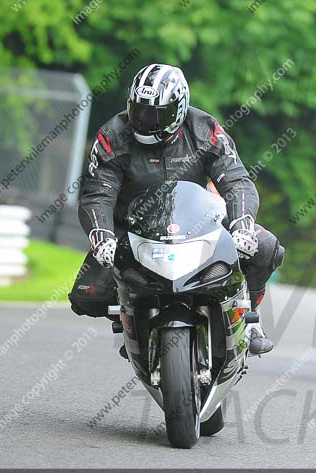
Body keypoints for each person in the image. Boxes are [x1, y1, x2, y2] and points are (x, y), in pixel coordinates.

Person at [68, 63, 283, 355]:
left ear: (179, 109)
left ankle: (249, 318)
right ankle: (133, 320)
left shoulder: (205, 130)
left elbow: (236, 181)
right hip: (131, 228)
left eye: (156, 113)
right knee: (88, 297)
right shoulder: (112, 136)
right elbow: (97, 195)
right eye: (139, 110)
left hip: (198, 221)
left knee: (265, 246)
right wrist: (102, 237)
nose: (144, 120)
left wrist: (242, 225)